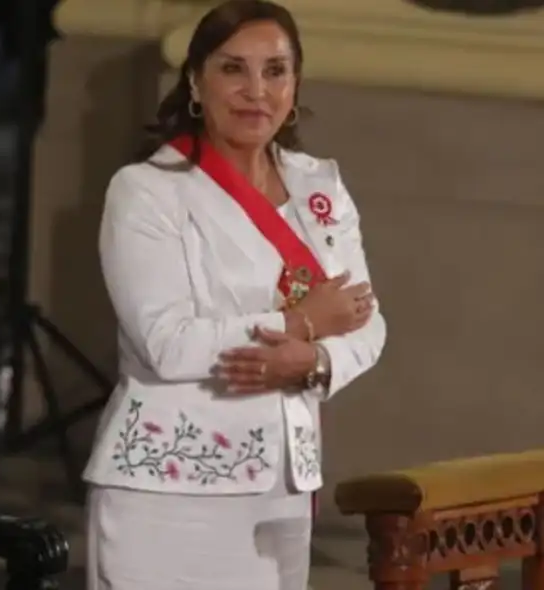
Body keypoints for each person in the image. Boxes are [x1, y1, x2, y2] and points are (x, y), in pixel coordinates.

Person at [83, 1, 386, 589]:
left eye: (275, 70)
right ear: (196, 81)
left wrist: (317, 361)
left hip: (282, 492)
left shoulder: (319, 187)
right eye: (233, 69)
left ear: (295, 83)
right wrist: (298, 323)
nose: (256, 91)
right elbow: (165, 343)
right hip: (166, 489)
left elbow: (366, 322)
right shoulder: (147, 191)